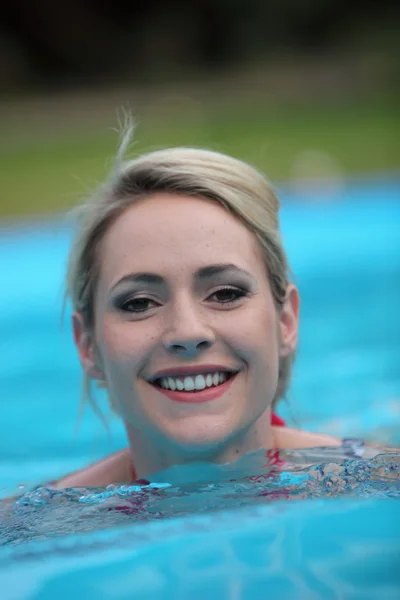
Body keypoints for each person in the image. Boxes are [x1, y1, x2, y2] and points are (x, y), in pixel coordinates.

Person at [49, 123, 394, 490]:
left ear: (286, 321)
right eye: (139, 303)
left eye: (225, 294)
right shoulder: (33, 532)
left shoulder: (382, 482)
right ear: (87, 345)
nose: (188, 332)